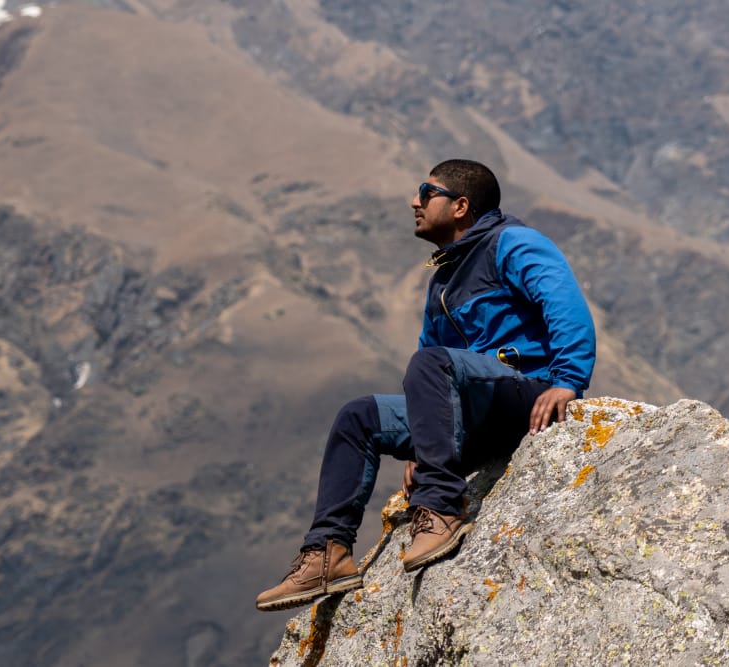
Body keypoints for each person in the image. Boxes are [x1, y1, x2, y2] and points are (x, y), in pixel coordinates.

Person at [256, 159, 597, 612]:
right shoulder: (444, 278)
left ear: (460, 206)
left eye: (425, 192)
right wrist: (425, 444)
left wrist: (568, 380)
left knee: (430, 363)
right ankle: (328, 554)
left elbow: (565, 303)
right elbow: (429, 370)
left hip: (524, 395)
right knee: (359, 416)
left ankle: (440, 510)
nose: (414, 202)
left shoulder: (513, 243)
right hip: (474, 411)